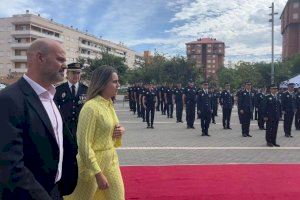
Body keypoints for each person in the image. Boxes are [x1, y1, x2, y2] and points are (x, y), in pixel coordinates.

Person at [0, 38, 78, 199]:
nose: (65, 66)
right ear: (40, 58)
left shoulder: (51, 96)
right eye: (60, 59)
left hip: (55, 190)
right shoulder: (9, 100)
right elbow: (10, 166)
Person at [65, 65, 125, 200]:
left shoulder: (108, 103)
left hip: (111, 160)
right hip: (92, 165)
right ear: (102, 83)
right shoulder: (91, 107)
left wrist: (120, 131)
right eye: (114, 82)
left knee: (117, 197)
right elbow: (84, 145)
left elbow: (110, 129)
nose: (118, 85)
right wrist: (98, 173)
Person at [54, 62, 88, 138]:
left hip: (81, 128)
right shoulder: (59, 90)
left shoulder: (86, 90)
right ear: (67, 74)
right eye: (73, 73)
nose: (76, 75)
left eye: (78, 73)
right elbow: (55, 109)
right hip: (64, 128)